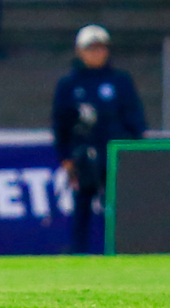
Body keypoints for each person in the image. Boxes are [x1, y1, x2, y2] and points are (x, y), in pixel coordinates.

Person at [51, 24, 147, 254]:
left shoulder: (120, 81)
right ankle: (79, 254)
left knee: (118, 209)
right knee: (82, 206)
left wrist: (132, 149)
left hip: (116, 154)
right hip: (84, 155)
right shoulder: (69, 84)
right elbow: (60, 122)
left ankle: (122, 252)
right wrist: (65, 156)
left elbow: (135, 118)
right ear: (79, 51)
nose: (96, 53)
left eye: (100, 48)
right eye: (90, 48)